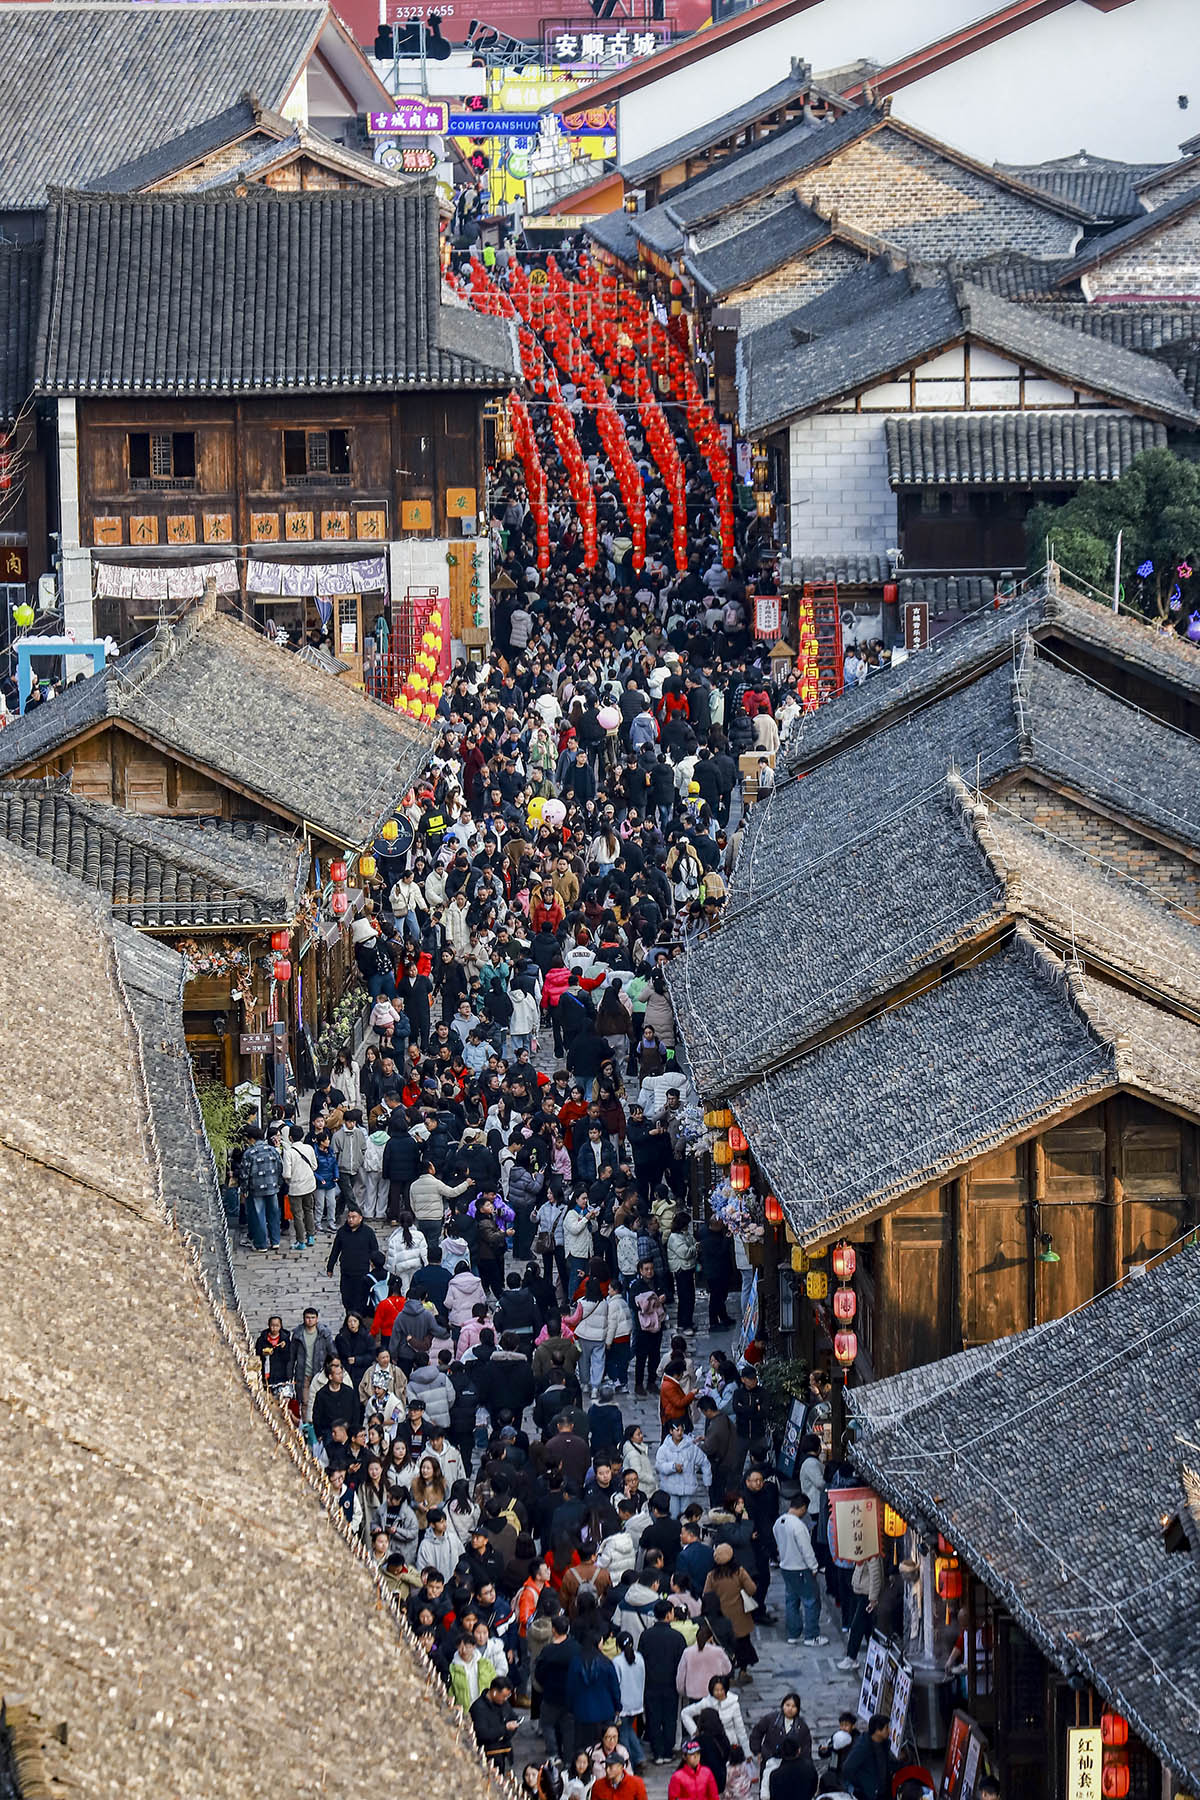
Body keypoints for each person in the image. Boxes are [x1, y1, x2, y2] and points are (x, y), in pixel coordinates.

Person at [773, 1495, 825, 1648]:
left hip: (785, 1566)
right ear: (803, 1508)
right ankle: (811, 1635)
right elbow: (806, 1549)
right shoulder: (798, 1526)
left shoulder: (778, 1523)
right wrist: (814, 1566)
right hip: (800, 1568)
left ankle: (793, 1634)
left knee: (791, 1601)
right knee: (811, 1601)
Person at [326, 1204, 381, 1315]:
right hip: (346, 1272)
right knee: (347, 1298)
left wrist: (376, 1267)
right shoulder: (342, 1232)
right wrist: (330, 1267)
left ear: (360, 1218)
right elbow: (335, 1250)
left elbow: (375, 1250)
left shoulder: (368, 1232)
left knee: (360, 1299)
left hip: (362, 1272)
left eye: (354, 1217)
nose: (351, 1220)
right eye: (349, 1217)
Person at [240, 1123, 283, 1251]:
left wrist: (244, 1190)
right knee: (274, 1214)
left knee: (259, 1216)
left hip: (256, 1189)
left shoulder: (249, 1153)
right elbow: (280, 1168)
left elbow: (244, 1174)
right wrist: (278, 1183)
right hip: (272, 1187)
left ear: (251, 1139)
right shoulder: (272, 1150)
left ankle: (261, 1244)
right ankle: (275, 1241)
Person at [470, 1674, 521, 1770]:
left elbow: (513, 1718)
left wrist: (507, 1733)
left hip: (504, 1753)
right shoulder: (478, 1708)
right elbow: (482, 1734)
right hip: (488, 1756)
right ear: (494, 1692)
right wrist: (504, 1729)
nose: (505, 1699)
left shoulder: (504, 1703)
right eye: (504, 1696)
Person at [840, 1715, 892, 1800]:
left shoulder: (884, 1743)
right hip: (869, 1795)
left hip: (883, 1791)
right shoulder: (863, 1747)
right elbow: (847, 1768)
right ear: (878, 1731)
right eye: (886, 1728)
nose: (889, 1731)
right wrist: (864, 1784)